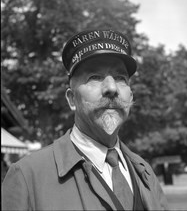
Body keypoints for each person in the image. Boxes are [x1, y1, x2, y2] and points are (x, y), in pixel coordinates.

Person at [2, 29, 169, 210]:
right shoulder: (27, 177)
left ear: (130, 97)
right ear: (72, 99)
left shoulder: (145, 172)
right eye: (94, 77)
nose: (111, 88)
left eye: (121, 78)